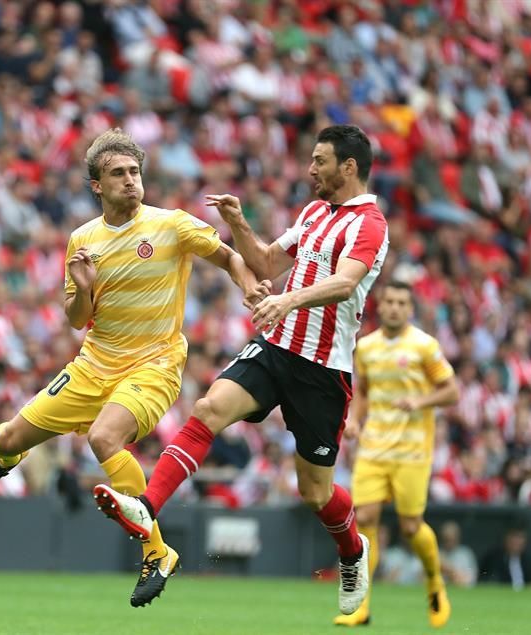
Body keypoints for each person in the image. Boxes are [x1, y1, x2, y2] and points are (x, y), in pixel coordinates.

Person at [91, 124, 389, 616]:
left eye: (320, 161)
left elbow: (345, 283)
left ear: (348, 167)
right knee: (209, 407)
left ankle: (353, 552)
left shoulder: (370, 225)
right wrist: (238, 222)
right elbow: (268, 262)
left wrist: (288, 298)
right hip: (275, 348)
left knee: (315, 492)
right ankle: (147, 506)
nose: (311, 169)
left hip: (322, 370)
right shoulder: (315, 212)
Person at [0, 128, 268, 607]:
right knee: (4, 439)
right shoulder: (82, 240)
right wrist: (83, 287)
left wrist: (247, 287)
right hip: (93, 364)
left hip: (155, 363)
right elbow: (76, 320)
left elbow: (230, 256)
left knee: (103, 438)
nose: (130, 181)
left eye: (134, 172)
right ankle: (8, 459)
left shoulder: (171, 224)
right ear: (96, 186)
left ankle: (157, 552)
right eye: (117, 174)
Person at [334, 280, 460, 628]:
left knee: (410, 527)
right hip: (374, 447)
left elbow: (451, 392)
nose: (394, 308)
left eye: (401, 302)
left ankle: (435, 583)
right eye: (388, 301)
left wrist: (420, 401)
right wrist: (356, 420)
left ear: (410, 308)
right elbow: (364, 393)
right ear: (381, 305)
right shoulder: (368, 347)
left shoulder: (424, 347)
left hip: (412, 450)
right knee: (366, 519)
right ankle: (362, 605)